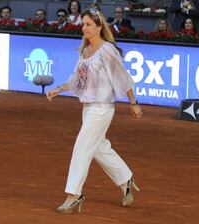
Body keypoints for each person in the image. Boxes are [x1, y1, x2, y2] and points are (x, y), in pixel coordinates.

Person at [46, 7, 142, 214]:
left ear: (99, 27)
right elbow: (76, 78)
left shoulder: (107, 50)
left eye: (89, 24)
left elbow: (122, 77)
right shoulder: (85, 50)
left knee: (82, 146)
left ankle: (74, 194)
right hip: (88, 108)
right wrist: (60, 89)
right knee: (98, 147)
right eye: (83, 24)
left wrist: (133, 102)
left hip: (102, 108)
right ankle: (126, 179)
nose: (85, 28)